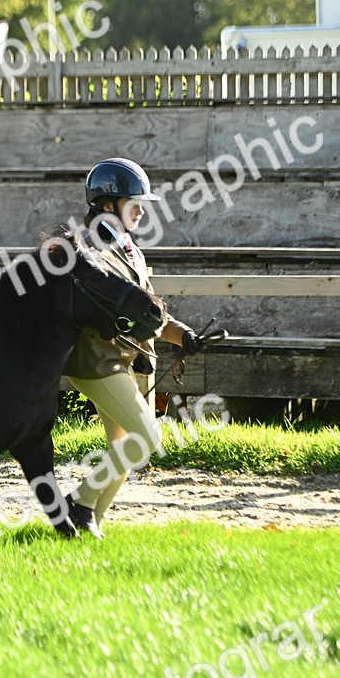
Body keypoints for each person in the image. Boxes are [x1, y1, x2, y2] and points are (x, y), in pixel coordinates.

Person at [61, 158, 206, 539]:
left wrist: (183, 335)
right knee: (147, 438)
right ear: (108, 205)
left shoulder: (131, 251)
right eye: (134, 203)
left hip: (128, 361)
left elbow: (149, 311)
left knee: (123, 448)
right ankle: (78, 502)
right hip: (97, 361)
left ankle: (89, 527)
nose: (142, 211)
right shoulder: (90, 251)